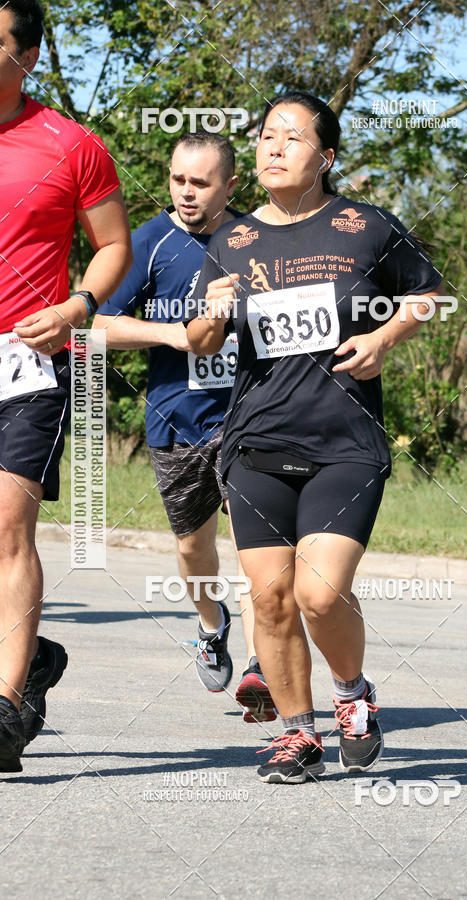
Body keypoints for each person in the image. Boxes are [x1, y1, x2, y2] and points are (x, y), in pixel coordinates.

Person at [186, 91, 443, 783]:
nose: (273, 147)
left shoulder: (364, 226)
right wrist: (211, 314)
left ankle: (353, 697)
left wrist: (387, 335)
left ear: (326, 157)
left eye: (292, 138)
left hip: (344, 440)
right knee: (269, 597)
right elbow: (202, 340)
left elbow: (429, 294)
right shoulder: (231, 241)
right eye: (267, 136)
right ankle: (297, 734)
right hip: (256, 443)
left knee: (320, 593)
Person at [93, 132, 275, 723]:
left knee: (260, 551)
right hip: (178, 421)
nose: (187, 192)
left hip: (252, 417)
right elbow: (96, 325)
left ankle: (260, 668)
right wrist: (180, 334)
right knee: (194, 547)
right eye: (179, 180)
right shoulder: (149, 241)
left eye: (201, 182)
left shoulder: (257, 239)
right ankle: (210, 624)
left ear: (232, 185)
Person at [0, 0, 132, 773]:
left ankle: (8, 704)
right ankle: (37, 654)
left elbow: (112, 245)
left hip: (27, 358)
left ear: (28, 57)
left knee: (8, 528)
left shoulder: (72, 146)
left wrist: (79, 305)